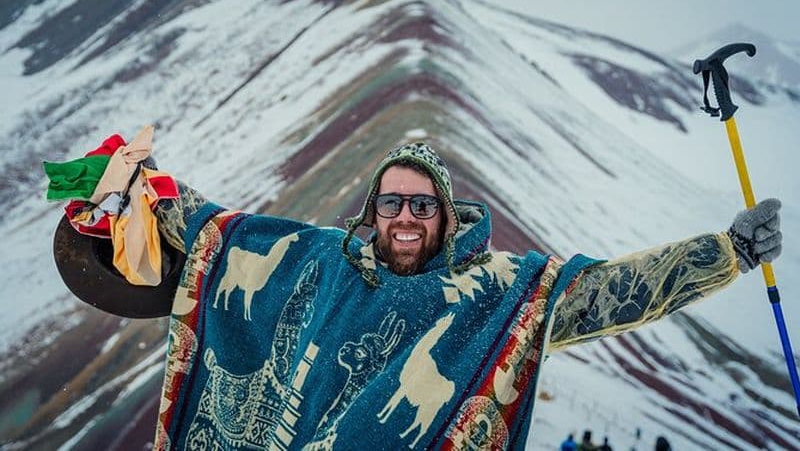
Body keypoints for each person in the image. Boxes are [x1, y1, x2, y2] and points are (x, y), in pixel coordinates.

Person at [47, 133, 783, 450]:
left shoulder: (490, 293)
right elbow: (222, 232)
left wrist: (727, 253)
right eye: (392, 202)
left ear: (447, 215)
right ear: (372, 211)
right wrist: (135, 181)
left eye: (423, 204)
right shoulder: (320, 259)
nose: (406, 217)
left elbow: (604, 293)